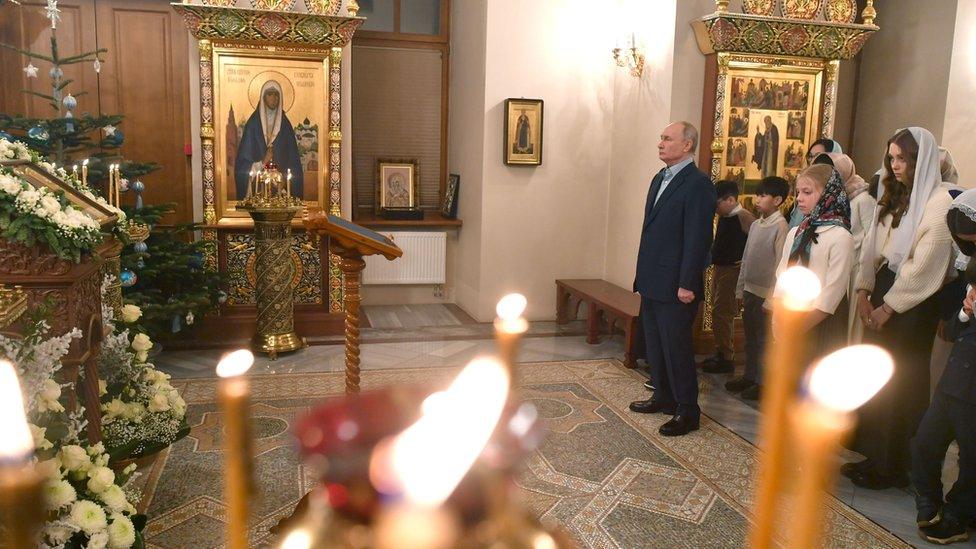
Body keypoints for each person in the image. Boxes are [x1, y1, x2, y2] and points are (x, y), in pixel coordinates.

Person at [845, 127, 956, 490]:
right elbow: (873, 246)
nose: (895, 166)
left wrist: (888, 307)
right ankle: (872, 452)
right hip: (882, 286)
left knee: (900, 381)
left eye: (902, 158)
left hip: (912, 304)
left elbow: (926, 265)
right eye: (891, 158)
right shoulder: (893, 193)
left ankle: (893, 464)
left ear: (920, 160)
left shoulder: (940, 202)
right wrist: (864, 291)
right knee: (873, 376)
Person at [630, 122, 716, 437]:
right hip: (653, 279)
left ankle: (687, 410)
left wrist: (687, 282)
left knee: (677, 348)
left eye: (667, 138)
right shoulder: (658, 179)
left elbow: (698, 238)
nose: (661, 143)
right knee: (655, 344)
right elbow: (651, 231)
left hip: (676, 284)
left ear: (687, 145)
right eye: (661, 137)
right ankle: (663, 396)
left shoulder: (698, 184)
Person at [910, 190, 976, 545]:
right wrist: (966, 311)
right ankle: (929, 501)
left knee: (972, 458)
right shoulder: (972, 270)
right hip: (955, 380)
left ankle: (958, 515)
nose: (970, 250)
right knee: (924, 445)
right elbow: (951, 330)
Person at [774, 164, 853, 364]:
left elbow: (833, 290)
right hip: (790, 315)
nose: (799, 197)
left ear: (829, 193)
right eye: (798, 192)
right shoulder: (796, 232)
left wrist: (799, 327)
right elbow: (782, 275)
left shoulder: (840, 236)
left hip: (821, 321)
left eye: (807, 192)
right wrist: (779, 318)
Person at [726, 176, 790, 400]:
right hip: (750, 291)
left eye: (763, 195)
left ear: (778, 200)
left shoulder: (781, 227)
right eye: (757, 194)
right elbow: (747, 258)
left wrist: (772, 299)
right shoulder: (755, 225)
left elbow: (780, 264)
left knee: (764, 340)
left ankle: (763, 381)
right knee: (750, 337)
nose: (757, 199)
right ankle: (749, 376)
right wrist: (740, 289)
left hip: (766, 295)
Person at [702, 181, 755, 374]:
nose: (716, 210)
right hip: (720, 268)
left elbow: (755, 244)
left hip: (733, 271)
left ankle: (726, 356)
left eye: (718, 205)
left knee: (723, 311)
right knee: (717, 310)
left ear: (731, 200)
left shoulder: (744, 217)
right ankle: (721, 351)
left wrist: (744, 263)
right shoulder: (725, 217)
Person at [823, 152, 876, 343]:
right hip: (841, 266)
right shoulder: (837, 197)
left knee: (852, 326)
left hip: (857, 270)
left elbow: (871, 237)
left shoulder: (863, 198)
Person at [235, 80, 304, 198]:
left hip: (280, 192)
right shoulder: (253, 125)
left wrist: (285, 180)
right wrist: (262, 163)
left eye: (276, 94)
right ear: (263, 97)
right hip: (258, 191)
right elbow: (242, 164)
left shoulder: (285, 126)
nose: (274, 98)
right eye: (270, 94)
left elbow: (294, 163)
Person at [789, 138, 844, 228]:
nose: (813, 161)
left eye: (818, 156)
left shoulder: (841, 193)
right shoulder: (805, 184)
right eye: (810, 156)